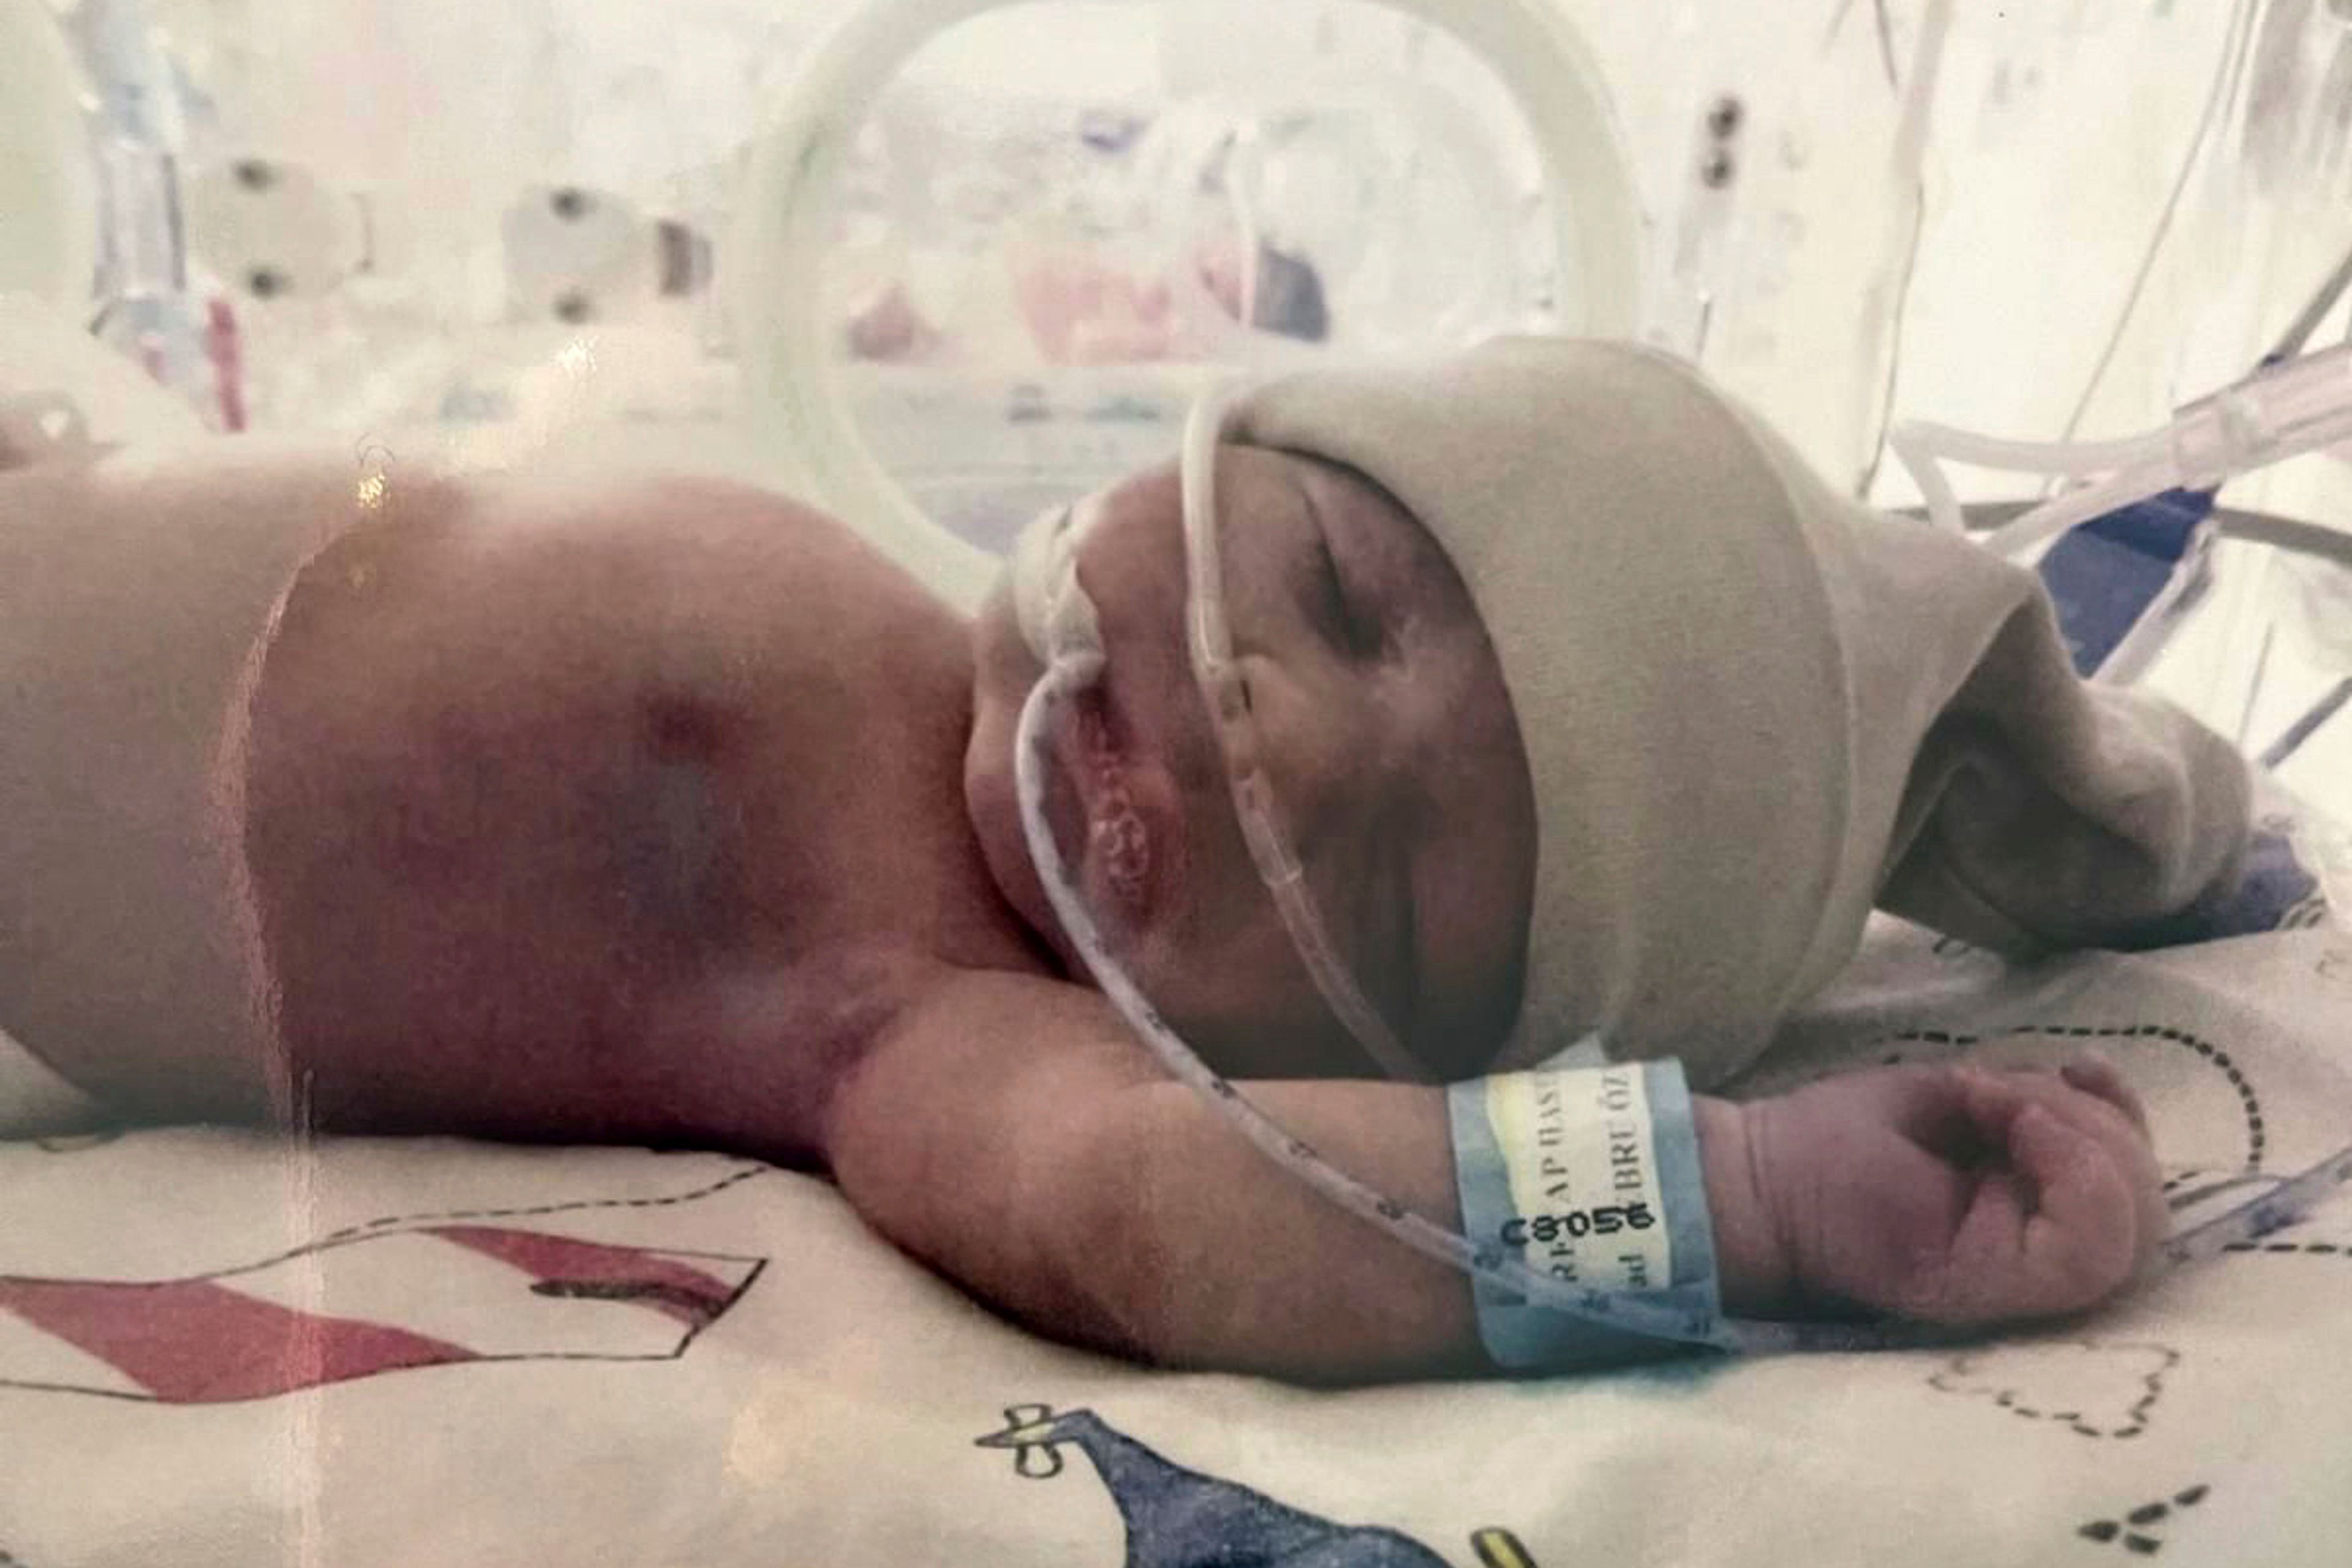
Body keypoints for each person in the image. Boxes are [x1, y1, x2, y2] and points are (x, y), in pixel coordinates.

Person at [0, 337, 2249, 1384]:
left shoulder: (921, 1003)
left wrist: (1746, 1199)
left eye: (1372, 893)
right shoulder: (886, 634)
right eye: (1351, 592)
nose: (1280, 727)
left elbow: (1183, 1215)